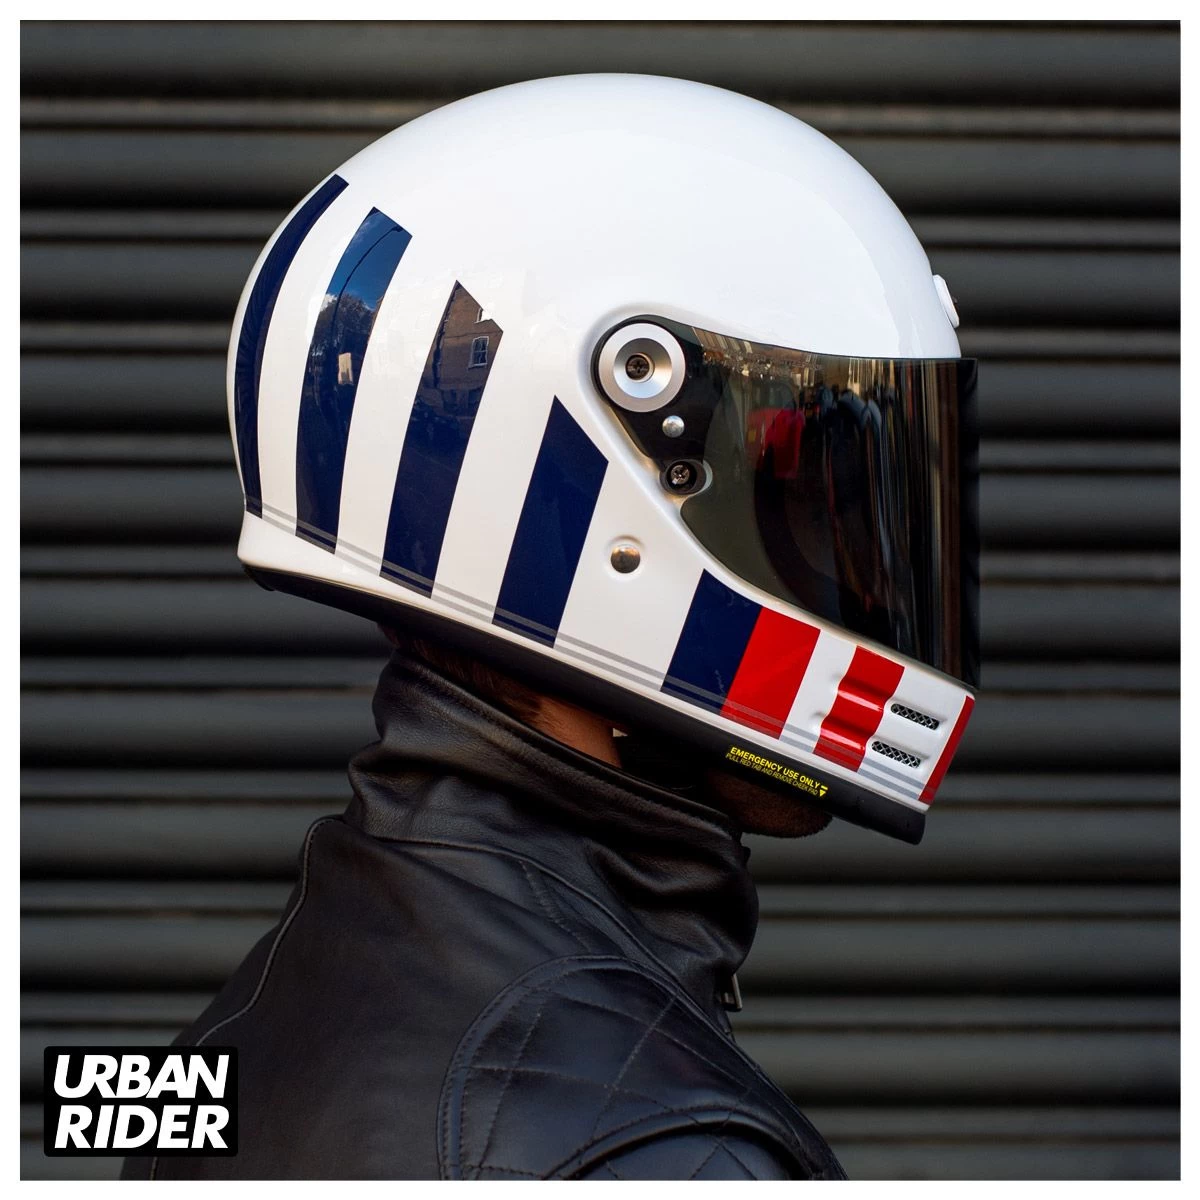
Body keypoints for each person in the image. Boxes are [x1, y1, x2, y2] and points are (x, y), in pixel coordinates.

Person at [123, 73, 978, 1181]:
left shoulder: (237, 1038)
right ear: (601, 508)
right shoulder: (663, 1151)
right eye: (807, 501)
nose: (851, 569)